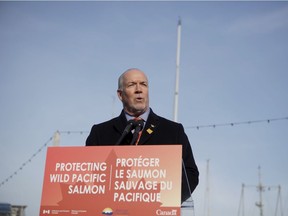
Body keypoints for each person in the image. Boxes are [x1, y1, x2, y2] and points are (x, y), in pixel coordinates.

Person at [86, 68, 199, 202]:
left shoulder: (173, 131)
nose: (139, 89)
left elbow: (190, 174)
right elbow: (90, 176)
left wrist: (161, 201)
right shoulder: (100, 132)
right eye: (131, 84)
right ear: (120, 95)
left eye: (143, 84)